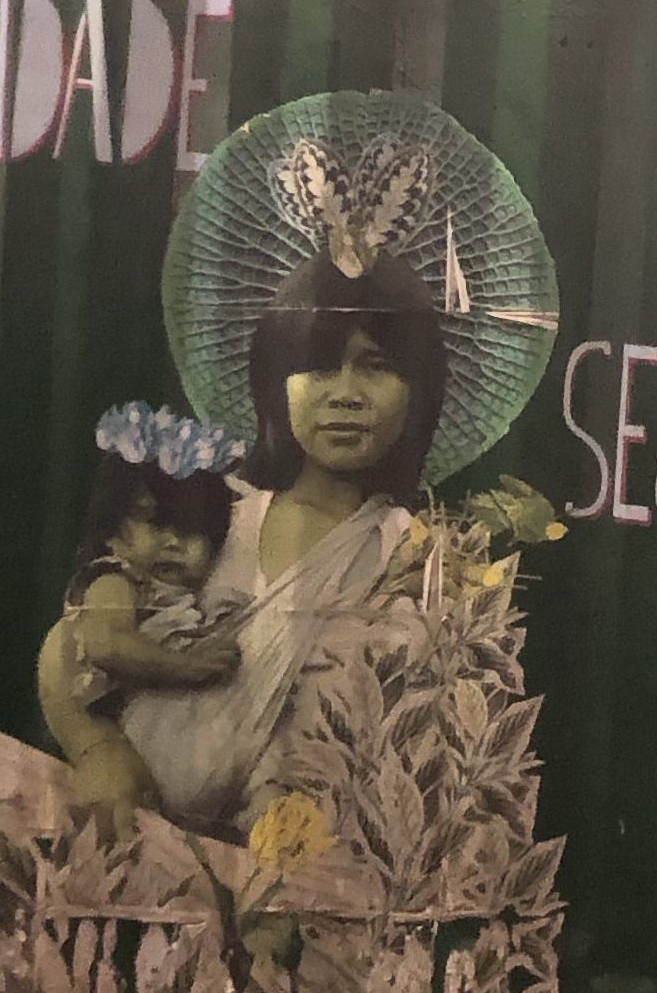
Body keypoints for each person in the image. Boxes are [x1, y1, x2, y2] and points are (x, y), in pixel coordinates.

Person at [117, 255, 445, 835]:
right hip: (137, 835)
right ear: (274, 382)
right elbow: (82, 649)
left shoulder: (422, 559)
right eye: (318, 366)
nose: (346, 395)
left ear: (418, 390)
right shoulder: (212, 521)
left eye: (376, 366)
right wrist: (94, 750)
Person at [38, 405, 248, 831]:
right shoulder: (115, 579)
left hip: (157, 743)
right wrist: (185, 666)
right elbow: (107, 643)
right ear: (113, 531)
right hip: (102, 735)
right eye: (156, 525)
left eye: (193, 532)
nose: (173, 543)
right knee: (119, 804)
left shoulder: (187, 597)